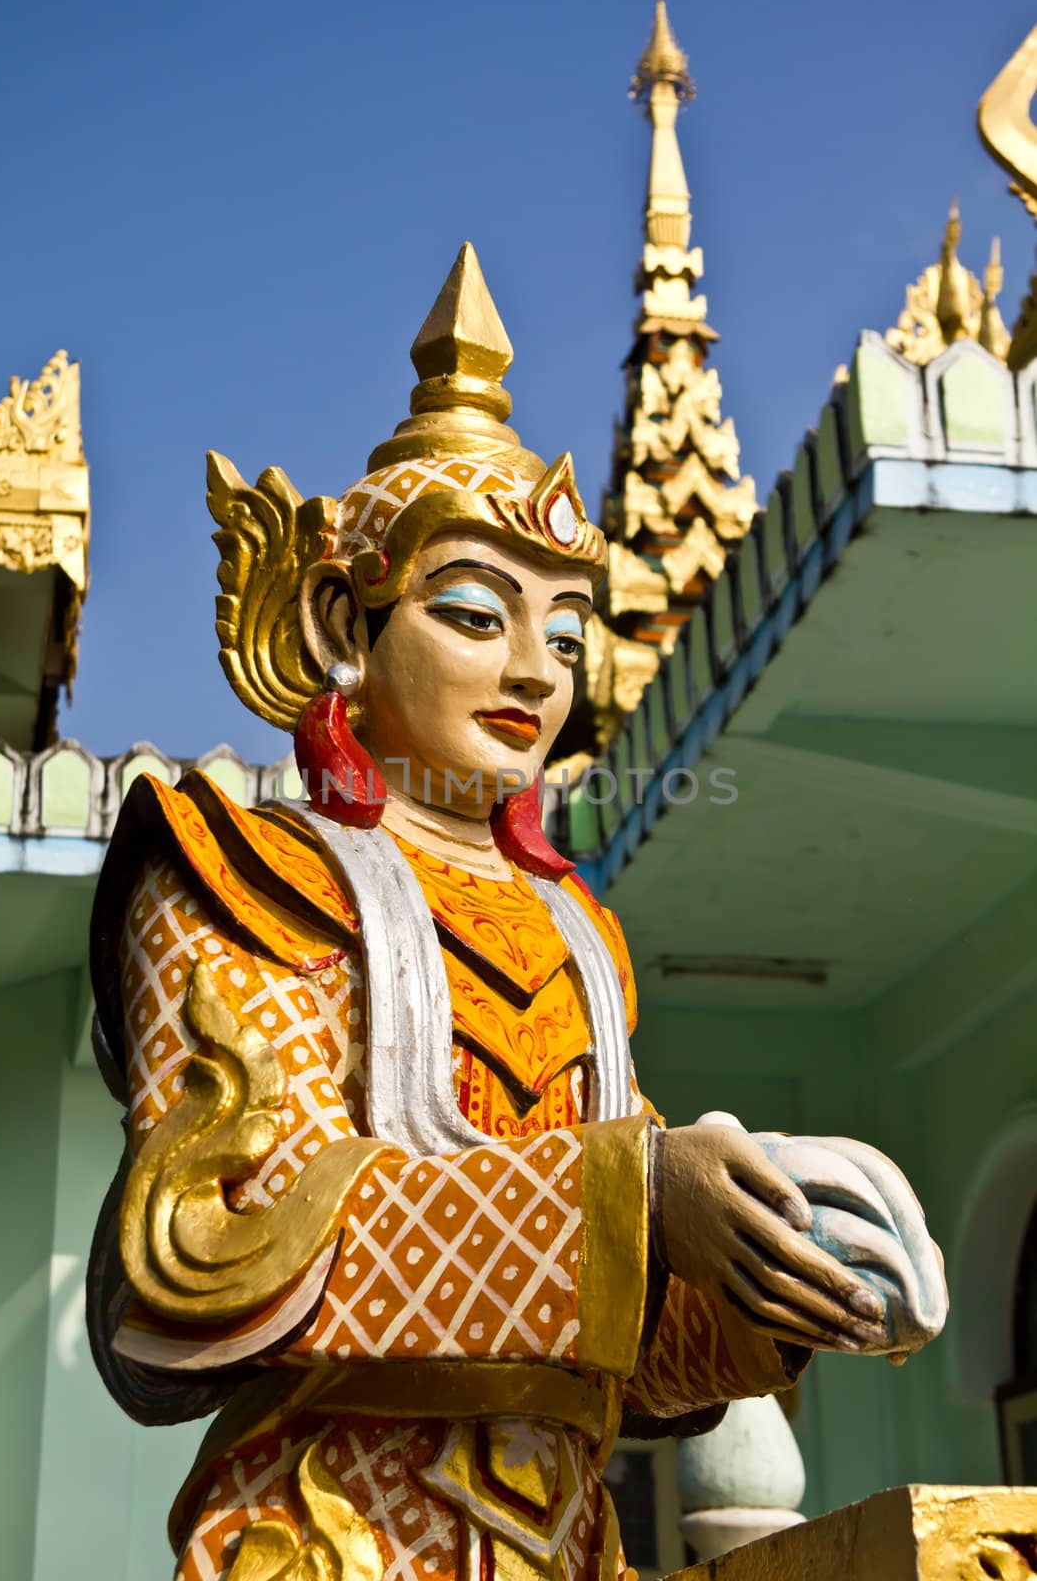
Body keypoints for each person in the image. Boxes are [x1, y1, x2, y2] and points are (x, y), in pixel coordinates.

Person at [88, 245, 944, 1581]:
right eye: (477, 613)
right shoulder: (231, 875)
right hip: (328, 1525)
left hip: (570, 1534)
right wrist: (638, 1193)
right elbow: (224, 1239)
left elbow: (641, 1355)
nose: (534, 672)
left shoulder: (575, 938)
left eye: (564, 632)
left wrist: (774, 1276)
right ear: (338, 624)